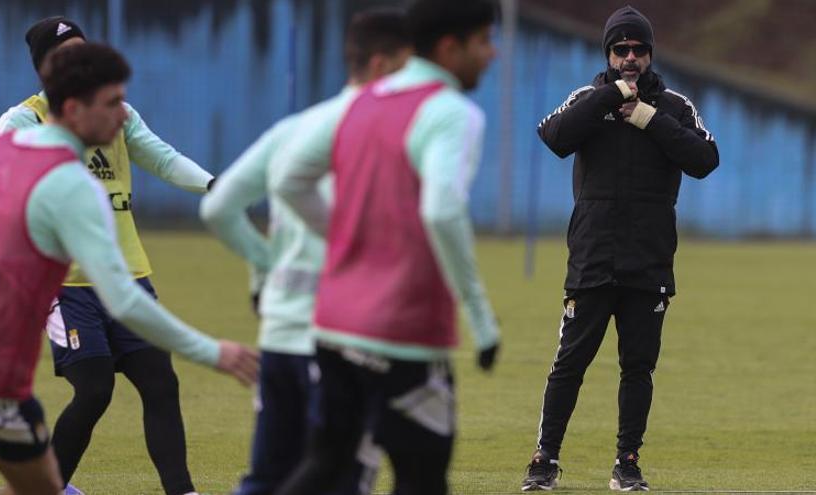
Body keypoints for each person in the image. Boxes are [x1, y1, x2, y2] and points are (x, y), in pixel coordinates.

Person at [0, 43, 258, 495]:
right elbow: (123, 299)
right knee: (41, 485)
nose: (123, 115)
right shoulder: (71, 185)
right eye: (111, 103)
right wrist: (212, 352)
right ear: (72, 108)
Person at [269, 1, 500, 494]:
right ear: (448, 47)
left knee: (327, 461)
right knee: (422, 479)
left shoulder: (360, 100)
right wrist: (480, 318)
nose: (493, 53)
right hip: (405, 333)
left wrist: (347, 238)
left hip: (334, 325)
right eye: (484, 40)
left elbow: (288, 179)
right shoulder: (452, 113)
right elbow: (442, 210)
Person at [0, 17, 216, 495]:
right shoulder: (21, 122)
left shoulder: (116, 114)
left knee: (161, 383)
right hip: (63, 284)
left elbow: (163, 157)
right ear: (43, 69)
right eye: (65, 53)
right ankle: (47, 488)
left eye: (83, 49)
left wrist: (215, 185)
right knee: (94, 390)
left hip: (126, 275)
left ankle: (183, 491)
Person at [200, 9, 413, 494]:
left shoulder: (294, 128)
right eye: (408, 67)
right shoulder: (379, 133)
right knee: (342, 478)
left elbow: (218, 209)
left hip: (279, 334)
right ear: (383, 65)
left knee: (268, 477)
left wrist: (266, 262)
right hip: (343, 338)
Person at [520, 5, 719, 492]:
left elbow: (705, 160)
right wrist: (611, 95)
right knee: (570, 363)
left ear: (651, 52)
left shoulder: (674, 106)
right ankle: (544, 459)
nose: (630, 58)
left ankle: (627, 462)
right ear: (608, 54)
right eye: (620, 49)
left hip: (649, 259)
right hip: (592, 255)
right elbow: (554, 135)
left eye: (638, 49)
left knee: (638, 367)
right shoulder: (589, 98)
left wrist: (649, 119)